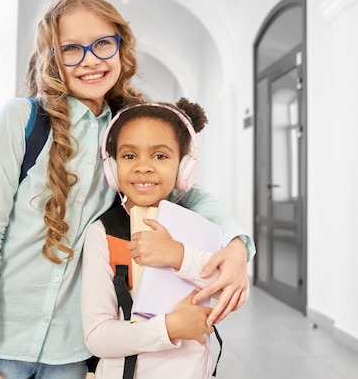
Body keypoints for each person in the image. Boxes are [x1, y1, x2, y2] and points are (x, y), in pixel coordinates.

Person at [0, 0, 255, 379]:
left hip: (71, 353)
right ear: (52, 58)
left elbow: (189, 195)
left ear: (122, 49)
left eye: (103, 43)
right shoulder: (21, 120)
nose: (90, 59)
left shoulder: (126, 132)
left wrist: (238, 246)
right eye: (71, 48)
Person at [82, 99, 240, 378]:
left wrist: (178, 255)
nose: (144, 167)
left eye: (160, 156)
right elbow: (97, 337)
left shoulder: (198, 225)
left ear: (183, 167)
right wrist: (169, 328)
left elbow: (232, 292)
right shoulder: (104, 233)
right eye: (129, 156)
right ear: (112, 165)